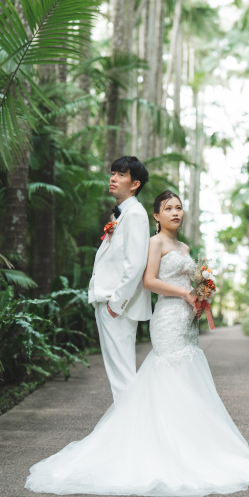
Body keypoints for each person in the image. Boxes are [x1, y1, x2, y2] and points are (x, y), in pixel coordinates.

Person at [24, 190, 249, 497]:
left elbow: (191, 282)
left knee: (187, 376)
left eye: (179, 207)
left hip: (186, 318)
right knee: (168, 373)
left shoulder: (185, 246)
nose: (175, 212)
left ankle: (188, 442)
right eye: (168, 208)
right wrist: (184, 294)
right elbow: (149, 281)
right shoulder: (155, 243)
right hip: (166, 317)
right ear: (156, 216)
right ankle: (160, 447)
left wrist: (201, 296)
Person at [86, 156, 152, 402]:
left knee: (122, 376)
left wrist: (115, 305)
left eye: (121, 175)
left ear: (135, 184)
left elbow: (135, 265)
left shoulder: (135, 214)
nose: (113, 179)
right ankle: (130, 432)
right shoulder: (121, 214)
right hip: (109, 302)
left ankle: (133, 434)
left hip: (118, 307)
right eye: (113, 173)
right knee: (118, 377)